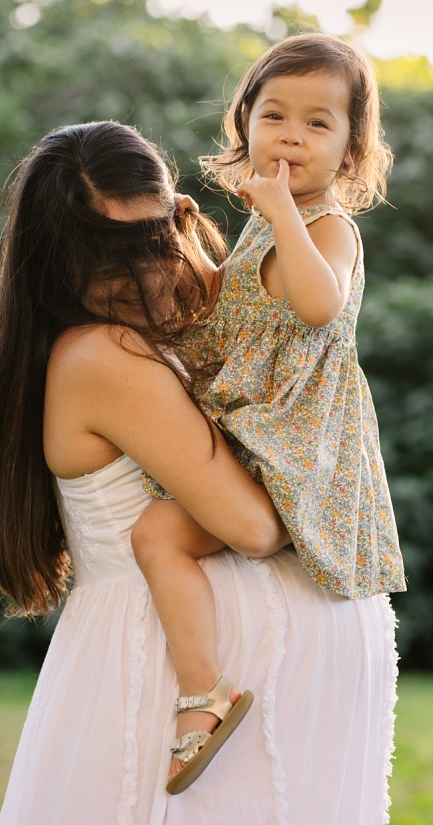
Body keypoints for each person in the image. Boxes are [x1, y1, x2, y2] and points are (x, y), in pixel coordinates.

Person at [0, 120, 398, 824]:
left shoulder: (154, 331)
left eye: (155, 238)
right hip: (160, 670)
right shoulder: (101, 354)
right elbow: (254, 526)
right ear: (58, 260)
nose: (145, 271)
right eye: (114, 256)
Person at [131, 32, 405, 794]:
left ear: (351, 150)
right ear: (245, 122)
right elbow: (217, 312)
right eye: (275, 114)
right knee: (156, 527)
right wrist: (187, 244)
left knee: (157, 530)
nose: (292, 134)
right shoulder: (263, 226)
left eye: (319, 123)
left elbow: (318, 305)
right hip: (253, 431)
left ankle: (202, 697)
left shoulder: (329, 228)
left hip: (297, 444)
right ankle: (199, 689)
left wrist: (283, 207)